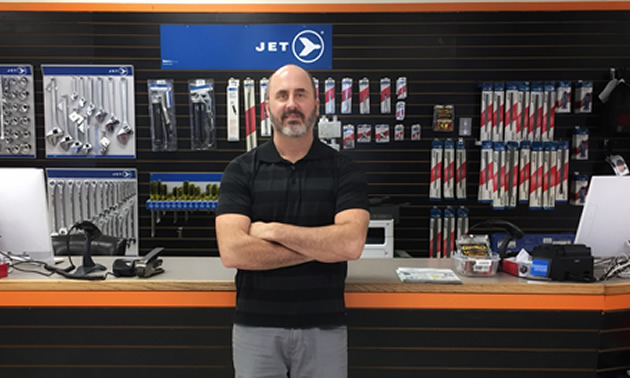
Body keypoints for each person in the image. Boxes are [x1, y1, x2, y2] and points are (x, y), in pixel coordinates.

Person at [215, 64, 370, 378]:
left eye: (301, 95)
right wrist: (325, 246)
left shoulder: (345, 170)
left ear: (316, 103)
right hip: (255, 329)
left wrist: (273, 230)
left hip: (324, 328)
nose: (291, 104)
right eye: (282, 95)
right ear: (267, 106)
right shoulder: (240, 170)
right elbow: (233, 252)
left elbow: (351, 244)